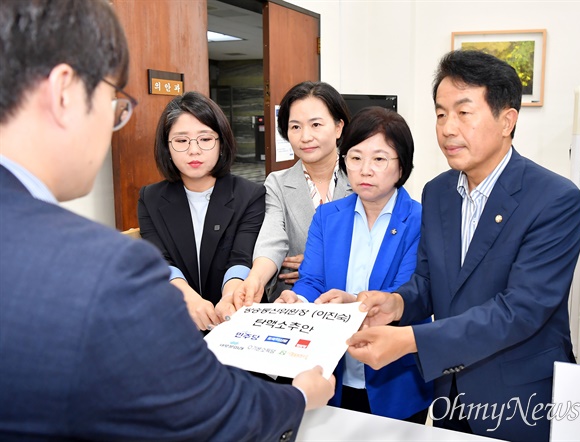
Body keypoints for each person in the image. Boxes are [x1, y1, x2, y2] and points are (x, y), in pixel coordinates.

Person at [0, 1, 334, 440]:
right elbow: (202, 410)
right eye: (113, 102)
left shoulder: (248, 193)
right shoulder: (103, 266)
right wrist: (300, 396)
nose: (114, 123)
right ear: (65, 92)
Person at [346, 50, 580, 441]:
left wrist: (409, 341)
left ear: (507, 120)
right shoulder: (439, 192)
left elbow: (520, 311)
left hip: (518, 397)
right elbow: (428, 280)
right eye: (441, 114)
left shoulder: (555, 199)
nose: (447, 128)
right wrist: (396, 304)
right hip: (449, 391)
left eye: (463, 112)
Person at [274, 106, 433, 422]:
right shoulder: (328, 217)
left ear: (402, 166)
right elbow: (311, 280)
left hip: (395, 378)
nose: (365, 169)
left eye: (379, 159)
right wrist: (299, 299)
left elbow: (406, 293)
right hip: (334, 373)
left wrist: (351, 304)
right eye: (355, 157)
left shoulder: (419, 219)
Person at [217, 81, 353, 318]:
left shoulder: (363, 178)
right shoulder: (277, 183)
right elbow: (272, 240)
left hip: (353, 304)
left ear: (339, 127)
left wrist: (317, 265)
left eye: (316, 124)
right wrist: (256, 279)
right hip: (293, 306)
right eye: (295, 127)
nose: (305, 136)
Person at [138, 91, 265, 331]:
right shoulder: (150, 198)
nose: (194, 150)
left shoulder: (250, 194)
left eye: (205, 139)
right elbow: (159, 259)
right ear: (167, 146)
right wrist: (188, 297)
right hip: (175, 320)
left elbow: (240, 258)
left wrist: (230, 297)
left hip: (235, 319)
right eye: (182, 140)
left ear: (221, 143)